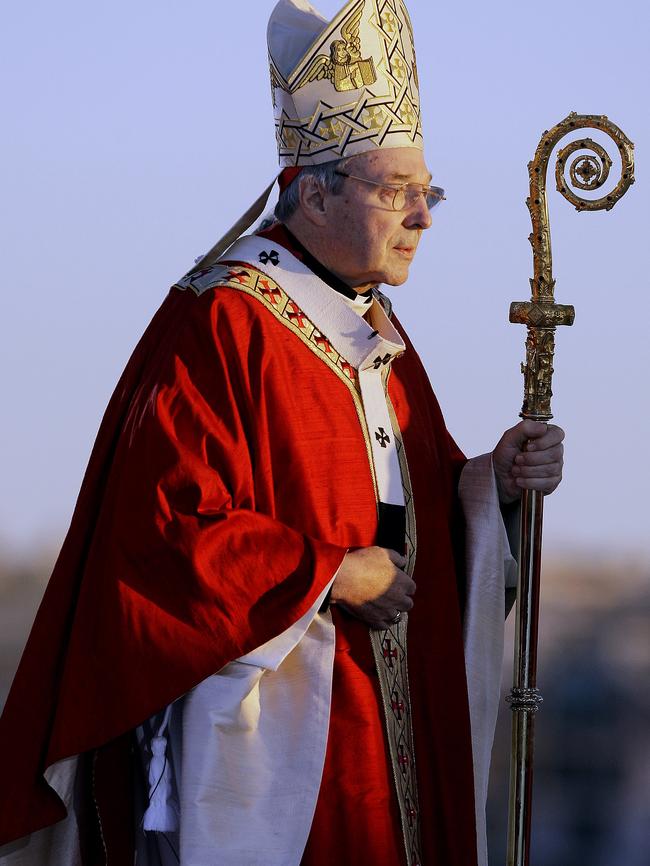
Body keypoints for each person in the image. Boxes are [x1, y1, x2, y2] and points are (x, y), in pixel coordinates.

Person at [0, 1, 564, 865]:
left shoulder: (377, 331)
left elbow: (420, 523)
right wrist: (330, 571)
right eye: (396, 192)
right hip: (287, 740)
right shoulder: (222, 320)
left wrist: (496, 486)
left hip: (393, 727)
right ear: (313, 191)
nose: (423, 218)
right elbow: (158, 534)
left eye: (429, 193)